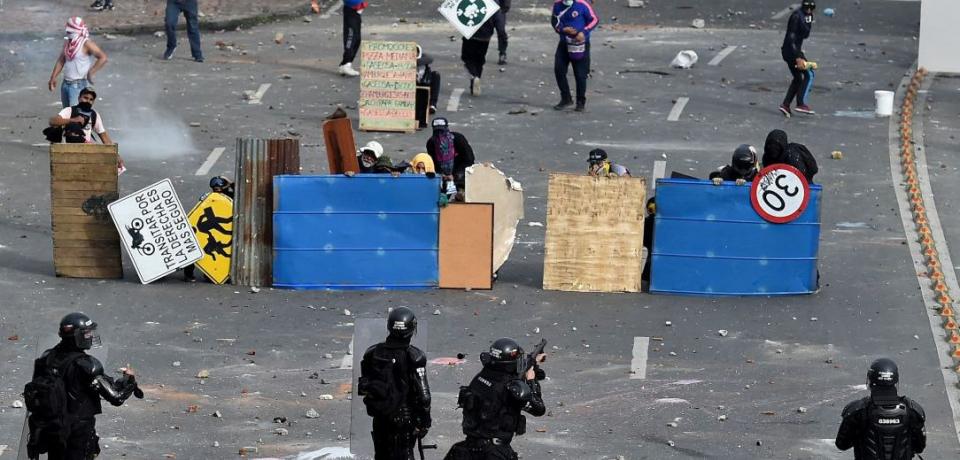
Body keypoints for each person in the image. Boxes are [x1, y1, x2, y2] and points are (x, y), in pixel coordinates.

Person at [24, 312, 142, 460]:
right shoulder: (87, 365)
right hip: (78, 431)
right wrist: (128, 380)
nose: (91, 336)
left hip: (53, 428)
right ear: (76, 337)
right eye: (87, 333)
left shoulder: (47, 357)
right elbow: (116, 397)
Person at [445, 338, 546, 460]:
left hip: (468, 448)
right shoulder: (511, 388)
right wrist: (531, 379)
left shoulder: (481, 377)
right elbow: (539, 409)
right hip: (494, 452)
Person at [358, 307, 431, 460]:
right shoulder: (414, 357)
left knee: (382, 455)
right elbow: (423, 396)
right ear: (411, 330)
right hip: (404, 419)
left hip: (380, 417)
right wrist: (424, 423)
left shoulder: (372, 353)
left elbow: (365, 385)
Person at [835, 358, 926, 460]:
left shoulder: (858, 411)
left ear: (870, 381)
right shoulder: (912, 411)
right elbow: (919, 447)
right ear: (895, 381)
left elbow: (842, 444)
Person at [48, 17, 108, 109]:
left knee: (77, 115)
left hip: (78, 84)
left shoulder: (86, 43)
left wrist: (91, 72)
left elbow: (103, 57)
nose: (69, 34)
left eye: (71, 32)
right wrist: (53, 77)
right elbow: (61, 60)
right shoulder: (68, 42)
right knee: (67, 114)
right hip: (65, 84)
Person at [184, 176, 234, 282]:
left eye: (218, 186)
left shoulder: (229, 197)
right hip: (208, 229)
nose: (217, 189)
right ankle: (189, 274)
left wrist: (229, 182)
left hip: (218, 229)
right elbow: (200, 212)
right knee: (196, 248)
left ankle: (211, 274)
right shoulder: (208, 197)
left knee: (219, 253)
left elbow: (239, 192)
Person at [552, 0, 598, 112]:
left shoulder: (582, 4)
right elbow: (554, 21)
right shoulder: (557, 5)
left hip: (580, 44)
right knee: (559, 70)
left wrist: (584, 32)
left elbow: (594, 20)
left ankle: (580, 102)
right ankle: (566, 98)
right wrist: (562, 29)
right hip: (564, 43)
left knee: (580, 74)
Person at [779, 0, 816, 117]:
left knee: (798, 79)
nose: (809, 11)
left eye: (811, 9)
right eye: (807, 8)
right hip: (792, 51)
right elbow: (791, 38)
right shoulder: (796, 17)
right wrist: (798, 57)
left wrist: (808, 19)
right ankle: (801, 103)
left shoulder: (807, 16)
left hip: (790, 51)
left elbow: (805, 34)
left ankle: (785, 104)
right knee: (809, 74)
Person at [426, 117, 475, 198]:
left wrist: (455, 175)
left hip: (460, 174)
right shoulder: (431, 143)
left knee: (463, 196)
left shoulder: (459, 140)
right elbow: (432, 163)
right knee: (440, 200)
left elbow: (469, 160)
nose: (439, 135)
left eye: (441, 131)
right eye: (437, 132)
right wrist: (441, 174)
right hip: (444, 177)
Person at [48, 88, 113, 146]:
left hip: (86, 149)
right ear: (79, 98)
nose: (88, 101)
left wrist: (115, 154)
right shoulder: (69, 110)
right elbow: (52, 121)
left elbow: (103, 135)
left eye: (91, 99)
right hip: (68, 149)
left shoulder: (94, 114)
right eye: (85, 98)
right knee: (72, 126)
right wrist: (72, 120)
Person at [461, 16, 496, 96]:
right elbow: (499, 20)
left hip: (470, 34)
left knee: (468, 59)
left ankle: (474, 76)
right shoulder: (493, 4)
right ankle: (476, 80)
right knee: (479, 61)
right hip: (485, 37)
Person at [339, 0, 368, 77]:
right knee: (351, 37)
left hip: (356, 10)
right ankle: (346, 64)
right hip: (351, 9)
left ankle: (345, 64)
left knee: (357, 39)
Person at [417, 46, 442, 114]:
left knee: (436, 75)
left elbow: (430, 58)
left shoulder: (424, 59)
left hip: (424, 82)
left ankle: (432, 104)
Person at [493, 0, 511, 65]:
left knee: (501, 31)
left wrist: (506, 5)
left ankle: (502, 53)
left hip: (499, 7)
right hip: (484, 7)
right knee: (481, 32)